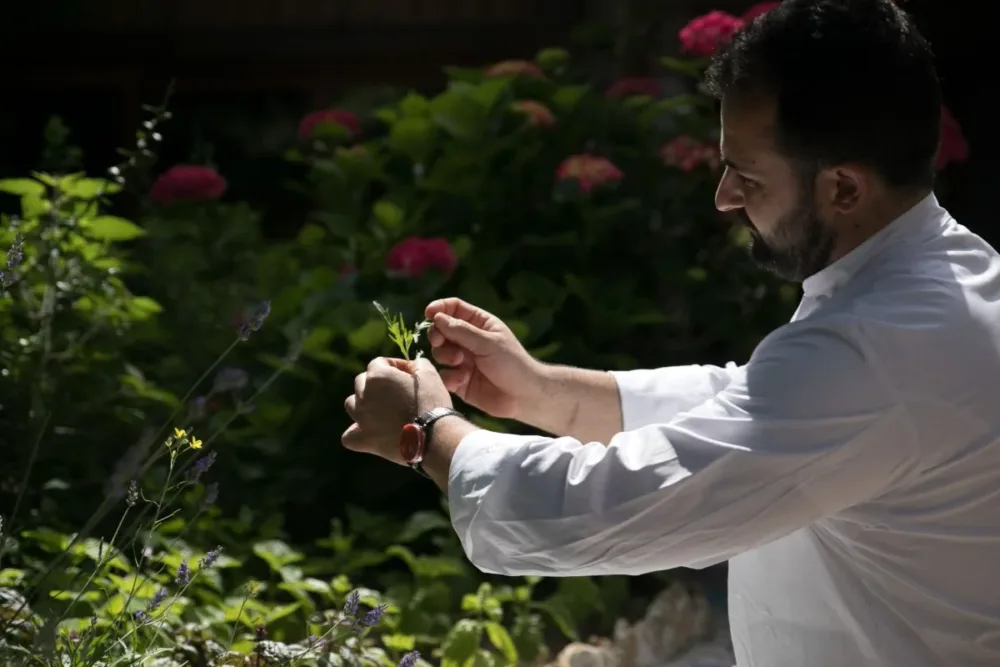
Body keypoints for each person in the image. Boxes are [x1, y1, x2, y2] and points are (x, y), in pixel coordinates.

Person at [341, 0, 1000, 665]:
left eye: (746, 175)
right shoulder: (945, 277)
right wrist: (543, 392)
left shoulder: (879, 351)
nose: (723, 197)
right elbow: (757, 404)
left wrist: (425, 432)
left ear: (846, 189)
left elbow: (617, 508)